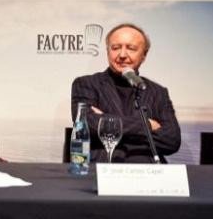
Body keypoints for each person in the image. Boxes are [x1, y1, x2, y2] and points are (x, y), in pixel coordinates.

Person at [71, 23, 181, 162]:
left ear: (144, 55)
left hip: (147, 174)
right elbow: (87, 124)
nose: (122, 55)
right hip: (101, 170)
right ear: (108, 51)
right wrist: (147, 125)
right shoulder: (86, 84)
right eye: (115, 48)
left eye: (131, 48)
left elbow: (172, 141)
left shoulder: (158, 92)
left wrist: (106, 120)